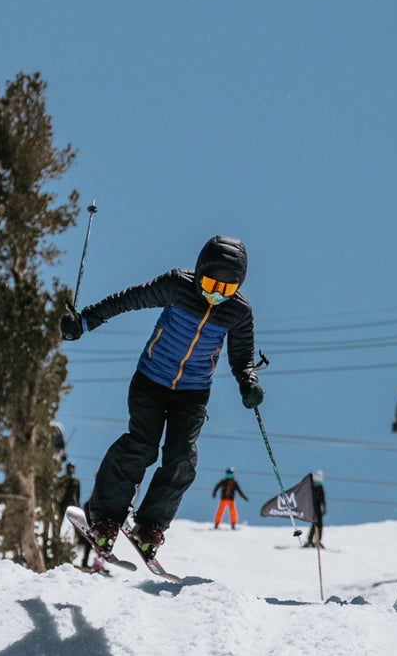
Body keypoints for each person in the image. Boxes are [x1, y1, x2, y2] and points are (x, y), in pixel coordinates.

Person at [60, 236, 262, 565]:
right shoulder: (177, 286)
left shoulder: (238, 312)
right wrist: (85, 320)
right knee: (142, 445)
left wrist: (248, 381)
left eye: (226, 289)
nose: (216, 293)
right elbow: (128, 300)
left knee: (183, 458)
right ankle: (105, 519)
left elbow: (242, 357)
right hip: (151, 380)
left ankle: (150, 526)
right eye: (211, 283)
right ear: (199, 274)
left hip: (194, 393)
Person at [303, 472, 328, 548]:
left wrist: (324, 507)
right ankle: (310, 540)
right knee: (314, 524)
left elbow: (323, 498)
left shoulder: (320, 487)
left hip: (318, 509)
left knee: (319, 524)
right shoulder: (311, 487)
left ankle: (318, 541)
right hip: (312, 509)